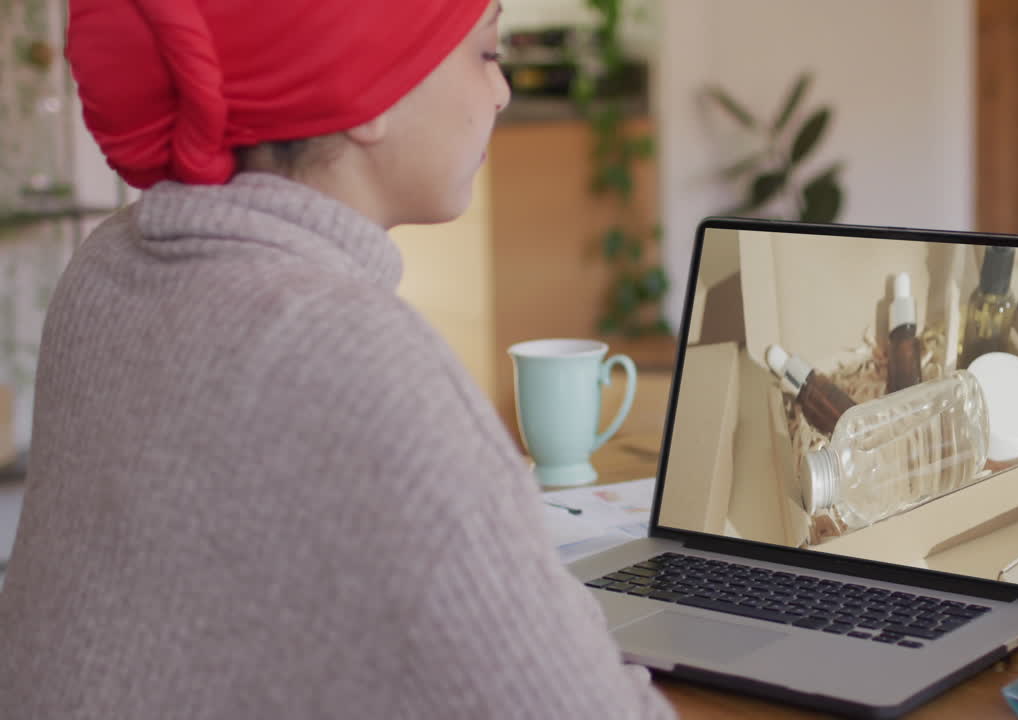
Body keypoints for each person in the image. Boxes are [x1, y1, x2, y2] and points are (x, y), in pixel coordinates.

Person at [0, 1, 675, 718]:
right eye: (484, 51)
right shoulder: (352, 353)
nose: (502, 89)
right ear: (370, 96)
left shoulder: (105, 267)